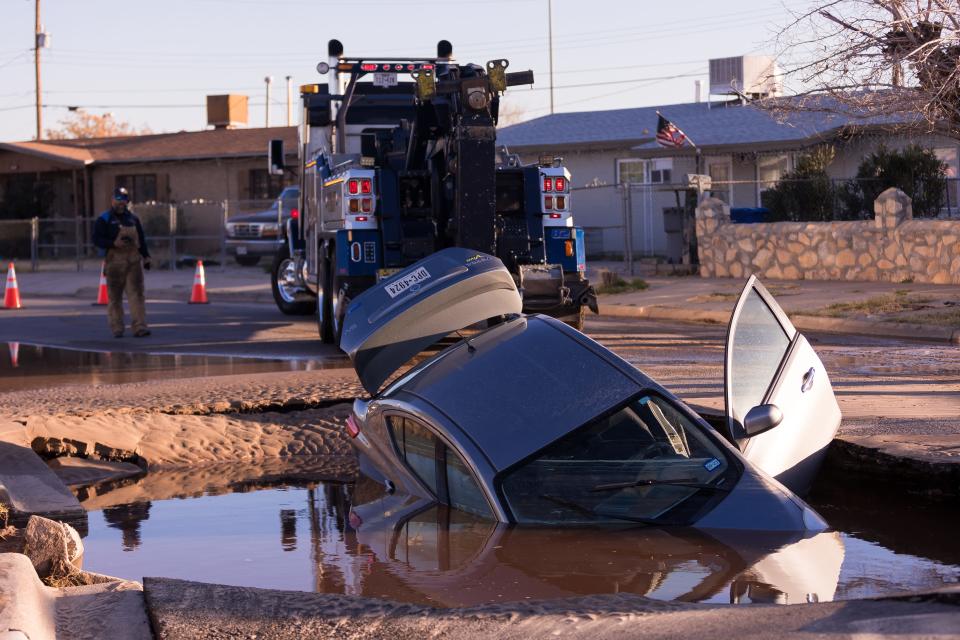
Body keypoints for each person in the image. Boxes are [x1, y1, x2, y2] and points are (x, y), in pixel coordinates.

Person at [92, 187, 152, 337]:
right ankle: (117, 328)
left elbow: (141, 239)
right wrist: (113, 243)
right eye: (118, 199)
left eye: (124, 200)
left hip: (133, 262)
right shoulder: (104, 219)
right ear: (112, 200)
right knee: (115, 297)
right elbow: (96, 239)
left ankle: (140, 327)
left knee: (137, 295)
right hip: (114, 263)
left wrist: (146, 256)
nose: (121, 203)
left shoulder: (133, 219)